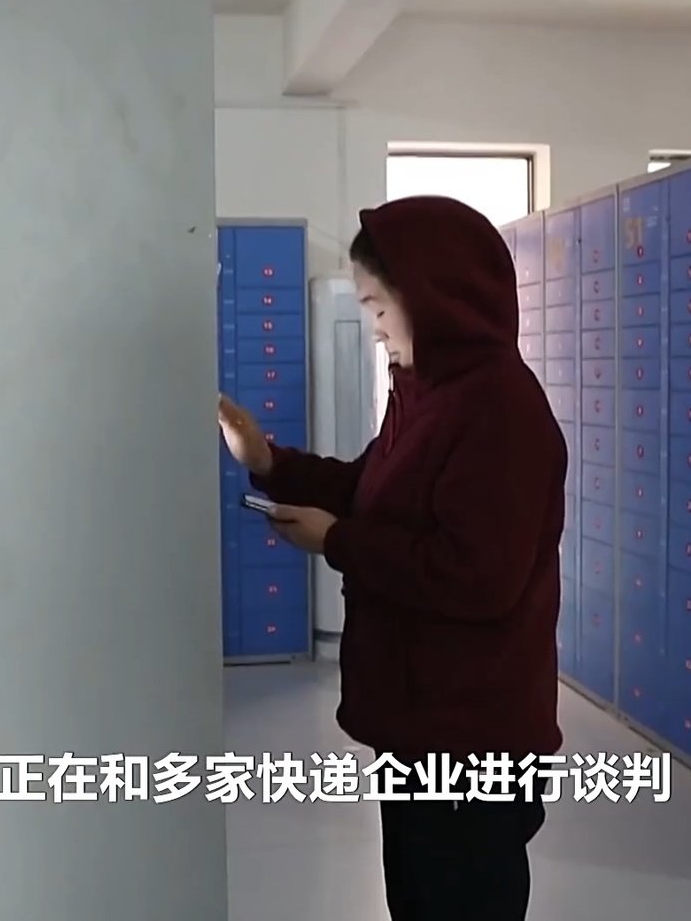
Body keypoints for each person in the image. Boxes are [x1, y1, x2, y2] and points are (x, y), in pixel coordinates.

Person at [217, 195, 567, 920]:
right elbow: (368, 489)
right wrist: (269, 461)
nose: (374, 328)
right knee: (416, 897)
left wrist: (336, 541)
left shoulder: (499, 411)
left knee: (459, 900)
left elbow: (478, 577)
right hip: (419, 721)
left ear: (434, 298)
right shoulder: (425, 392)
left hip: (473, 739)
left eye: (378, 306)